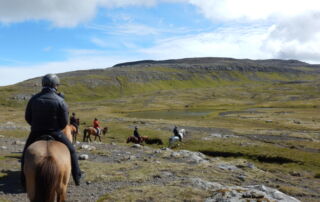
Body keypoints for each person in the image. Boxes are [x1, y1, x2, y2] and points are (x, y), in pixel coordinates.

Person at [21, 73, 83, 189]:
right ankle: (77, 177)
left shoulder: (33, 99)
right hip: (55, 132)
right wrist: (57, 128)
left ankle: (23, 180)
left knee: (25, 153)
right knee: (72, 151)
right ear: (56, 85)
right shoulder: (60, 100)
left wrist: (36, 126)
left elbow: (28, 117)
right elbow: (64, 122)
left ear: (43, 84)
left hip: (36, 132)